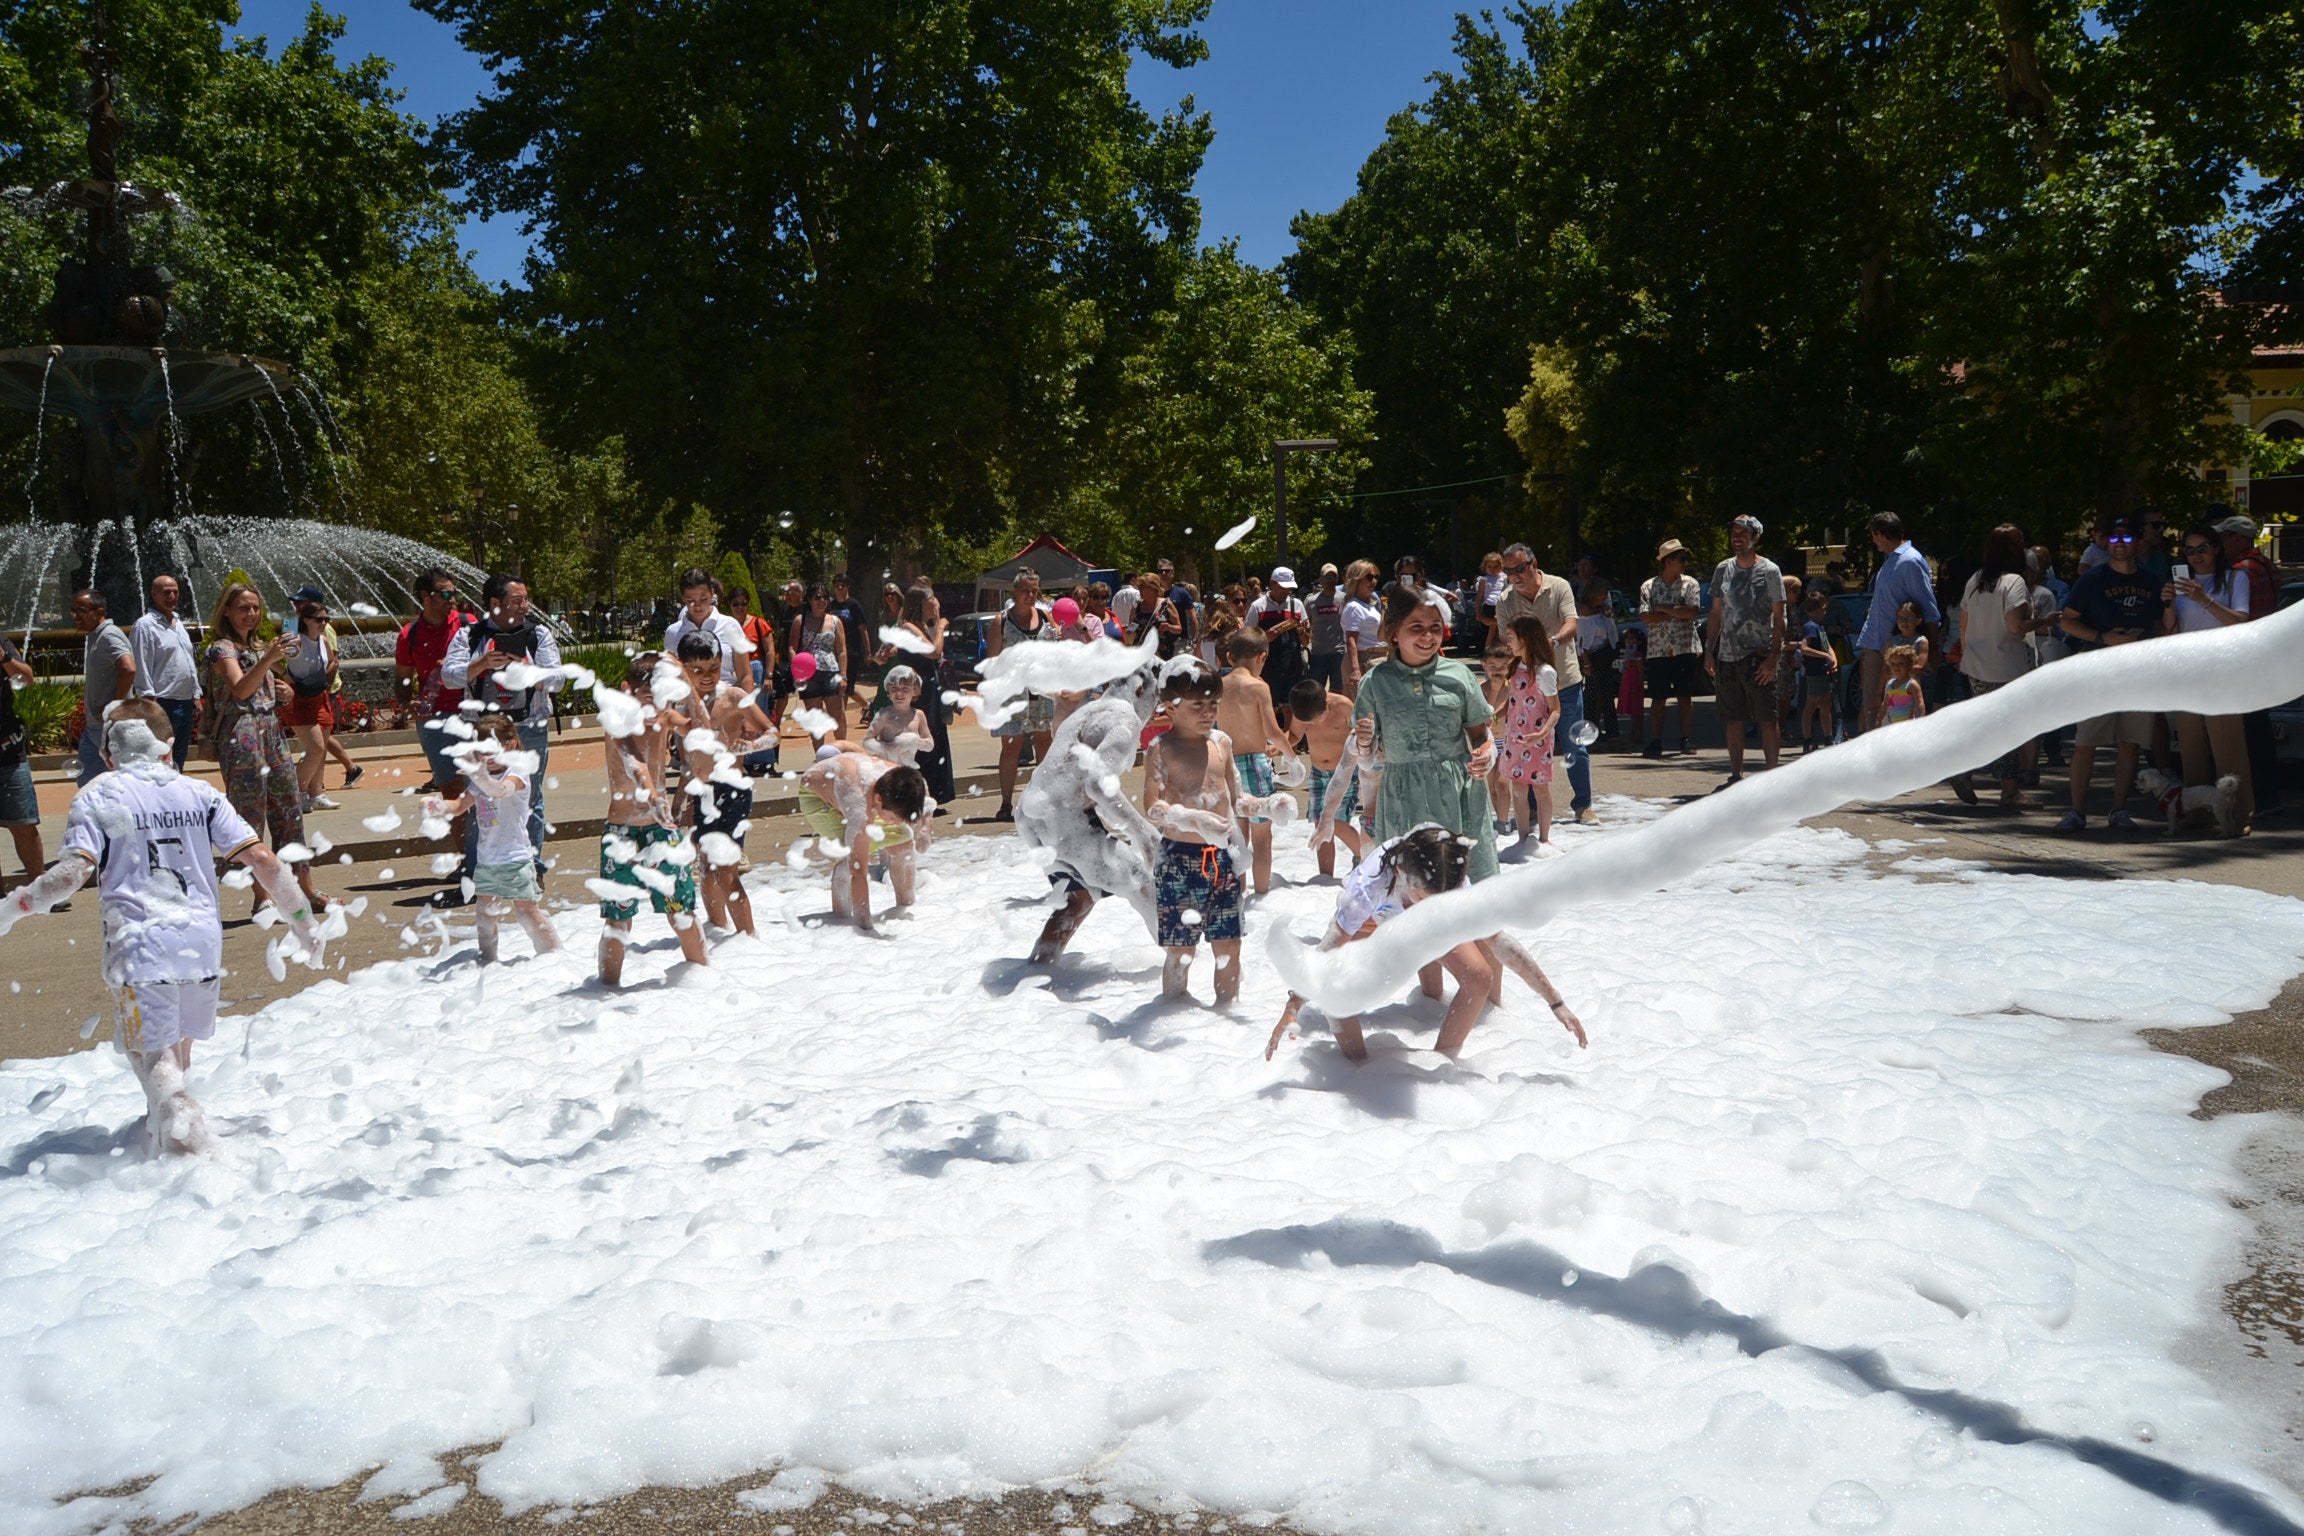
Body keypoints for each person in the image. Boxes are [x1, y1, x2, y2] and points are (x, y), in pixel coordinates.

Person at [0, 698, 321, 1155]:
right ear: (168, 748)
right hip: (202, 945)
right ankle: (164, 1138)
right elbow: (264, 860)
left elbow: (70, 876)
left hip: (141, 947)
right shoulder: (201, 793)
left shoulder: (98, 794)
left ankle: (181, 1125)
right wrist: (303, 922)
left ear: (110, 756)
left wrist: (10, 910)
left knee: (151, 1056)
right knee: (177, 1052)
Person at [1263, 827, 1587, 1064]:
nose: (1431, 908)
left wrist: (1555, 1002)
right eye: (1424, 899)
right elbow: (1324, 954)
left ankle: (1443, 1065)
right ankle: (1357, 1069)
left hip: (1415, 905)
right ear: (1404, 873)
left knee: (1479, 976)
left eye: (1442, 902)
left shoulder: (1451, 882)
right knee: (1336, 988)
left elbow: (1501, 943)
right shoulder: (1368, 887)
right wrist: (1292, 1008)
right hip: (1376, 917)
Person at [1352, 584, 1500, 882]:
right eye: (1416, 627)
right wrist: (1365, 742)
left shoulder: (1459, 676)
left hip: (1459, 793)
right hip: (1403, 797)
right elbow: (1365, 757)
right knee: (1410, 884)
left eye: (1435, 627)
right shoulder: (1375, 682)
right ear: (1394, 632)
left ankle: (1482, 931)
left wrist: (1486, 753)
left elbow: (1481, 734)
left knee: (1471, 882)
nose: (1427, 636)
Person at [203, 582, 326, 914]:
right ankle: (262, 896)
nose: (251, 614)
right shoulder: (221, 649)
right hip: (241, 736)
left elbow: (264, 686)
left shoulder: (260, 647)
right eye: (243, 608)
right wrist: (269, 659)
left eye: (255, 608)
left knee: (289, 810)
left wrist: (282, 690)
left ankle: (304, 889)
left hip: (270, 731)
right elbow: (241, 689)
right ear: (226, 611)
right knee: (250, 816)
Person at [597, 653, 709, 985]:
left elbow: (703, 731)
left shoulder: (664, 715)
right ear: (626, 690)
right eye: (648, 699)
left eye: (662, 700)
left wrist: (688, 685)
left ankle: (706, 986)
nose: (655, 708)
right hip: (622, 834)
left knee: (683, 912)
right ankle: (604, 991)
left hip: (661, 832)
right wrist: (654, 796)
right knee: (618, 921)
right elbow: (634, 761)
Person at [1143, 664, 1250, 1004]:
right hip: (1179, 860)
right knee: (1181, 950)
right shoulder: (1162, 748)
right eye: (1197, 706)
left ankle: (1226, 1015)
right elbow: (1153, 809)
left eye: (1213, 704)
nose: (1208, 713)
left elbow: (1238, 798)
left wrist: (1265, 805)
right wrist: (1190, 818)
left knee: (1229, 945)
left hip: (1222, 859)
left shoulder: (1221, 744)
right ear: (1170, 708)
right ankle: (1174, 1014)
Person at [442, 574, 564, 867]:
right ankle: (478, 867)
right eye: (517, 600)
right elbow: (448, 676)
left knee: (530, 799)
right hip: (481, 732)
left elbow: (558, 680)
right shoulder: (469, 635)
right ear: (495, 604)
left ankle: (531, 867)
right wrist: (482, 663)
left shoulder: (538, 635)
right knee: (478, 795)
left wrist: (526, 670)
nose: (525, 606)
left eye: (525, 599)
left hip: (528, 728)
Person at [2056, 517, 2169, 834]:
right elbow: (2067, 620)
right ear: (2106, 544)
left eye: (2127, 538)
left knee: (2130, 741)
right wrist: (2102, 637)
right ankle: (2076, 811)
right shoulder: (2093, 579)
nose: (2120, 544)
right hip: (2098, 666)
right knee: (2086, 741)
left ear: (2138, 542)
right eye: (2114, 538)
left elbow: (2162, 624)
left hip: (2137, 667)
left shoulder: (2151, 581)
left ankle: (2119, 810)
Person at [426, 711, 561, 963]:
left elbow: (499, 790)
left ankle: (555, 956)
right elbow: (458, 806)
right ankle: (488, 963)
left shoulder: (517, 773)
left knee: (527, 913)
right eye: (480, 752)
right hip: (487, 859)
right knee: (485, 915)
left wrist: (479, 775)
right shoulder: (480, 778)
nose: (485, 758)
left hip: (516, 858)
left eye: (490, 750)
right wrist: (439, 807)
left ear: (510, 745)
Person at [665, 631, 776, 936]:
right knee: (706, 865)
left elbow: (772, 732)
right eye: (696, 670)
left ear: (722, 663)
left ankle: (749, 937)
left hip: (732, 789)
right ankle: (716, 930)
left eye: (713, 668)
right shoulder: (678, 702)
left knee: (726, 869)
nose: (706, 677)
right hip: (699, 790)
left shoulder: (733, 697)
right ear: (683, 669)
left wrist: (751, 747)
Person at [2167, 518, 2256, 825]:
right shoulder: (2181, 585)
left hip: (2223, 667)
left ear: (2217, 549)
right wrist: (2167, 604)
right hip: (2187, 666)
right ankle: (2199, 814)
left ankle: (2240, 814)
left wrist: (2204, 599)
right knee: (2191, 745)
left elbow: (2241, 621)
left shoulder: (2235, 578)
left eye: (2202, 549)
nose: (2195, 556)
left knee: (2227, 743)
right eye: (2188, 550)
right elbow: (2170, 630)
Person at [1495, 542, 1591, 822]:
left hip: (1564, 678)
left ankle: (1583, 806)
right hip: (1527, 687)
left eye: (1520, 568)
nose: (1514, 575)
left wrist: (1550, 643)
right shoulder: (1504, 600)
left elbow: (1572, 624)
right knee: (1527, 745)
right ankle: (1533, 811)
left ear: (1534, 564)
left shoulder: (1559, 585)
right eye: (1508, 570)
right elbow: (1505, 639)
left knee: (1574, 744)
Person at [1951, 524, 2040, 809]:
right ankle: (2008, 790)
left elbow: (1963, 623)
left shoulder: (1976, 580)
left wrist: (1968, 653)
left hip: (1976, 663)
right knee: (2007, 728)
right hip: (2006, 665)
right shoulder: (2014, 582)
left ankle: (1967, 769)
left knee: (1989, 724)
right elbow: (2016, 626)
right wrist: (2047, 622)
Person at [801, 745, 928, 932]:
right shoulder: (858, 805)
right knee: (850, 857)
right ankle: (841, 916)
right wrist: (866, 930)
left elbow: (926, 797)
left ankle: (906, 904)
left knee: (905, 843)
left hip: (852, 783)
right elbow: (858, 872)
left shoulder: (908, 781)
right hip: (815, 797)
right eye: (892, 817)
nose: (895, 822)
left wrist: (926, 829)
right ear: (877, 799)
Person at [1704, 515, 1786, 785]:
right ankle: (1736, 775)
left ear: (1756, 538)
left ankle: (1772, 776)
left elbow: (1779, 616)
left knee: (1766, 717)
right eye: (1734, 532)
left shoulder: (1770, 571)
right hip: (1728, 655)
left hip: (1759, 655)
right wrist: (1709, 651)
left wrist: (1773, 657)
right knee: (1733, 717)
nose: (1736, 537)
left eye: (1743, 533)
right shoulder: (1723, 569)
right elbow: (1715, 613)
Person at [1217, 629, 1291, 895]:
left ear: (1229, 656)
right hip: (1256, 765)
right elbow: (1273, 732)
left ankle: (1238, 893)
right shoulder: (1259, 686)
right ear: (1262, 657)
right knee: (1262, 837)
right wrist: (1291, 757)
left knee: (1237, 836)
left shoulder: (1219, 686)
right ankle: (1261, 895)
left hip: (1228, 765)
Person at [1855, 512, 1941, 739]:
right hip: (1878, 644)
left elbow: (1928, 607)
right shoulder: (1891, 560)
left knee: (1898, 712)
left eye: (1874, 536)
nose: (1873, 541)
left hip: (1899, 653)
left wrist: (1933, 650)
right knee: (1874, 708)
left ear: (1880, 534)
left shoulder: (1910, 561)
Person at [2219, 512, 2284, 814]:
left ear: (2239, 539)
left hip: (2246, 654)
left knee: (2247, 731)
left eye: (2225, 537)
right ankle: (2269, 794)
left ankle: (2255, 796)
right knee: (2258, 727)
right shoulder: (2268, 566)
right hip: (2266, 652)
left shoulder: (2241, 570)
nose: (2221, 543)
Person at [987, 568, 1055, 820]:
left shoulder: (1046, 617)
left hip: (1041, 691)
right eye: (1025, 590)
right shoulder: (1001, 621)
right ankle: (1006, 803)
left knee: (1043, 742)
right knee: (1011, 747)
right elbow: (992, 662)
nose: (1030, 595)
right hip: (1012, 693)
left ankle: (1043, 800)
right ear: (1014, 591)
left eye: (1034, 590)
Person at [395, 568, 467, 801]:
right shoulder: (410, 634)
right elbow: (402, 678)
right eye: (446, 595)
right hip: (433, 721)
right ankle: (465, 838)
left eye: (454, 594)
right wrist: (407, 702)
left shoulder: (468, 625)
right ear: (426, 596)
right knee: (451, 791)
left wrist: (461, 663)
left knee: (479, 786)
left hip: (471, 714)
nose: (453, 600)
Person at [1288, 677, 1367, 879]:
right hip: (1317, 773)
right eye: (1309, 723)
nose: (1313, 724)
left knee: (1336, 822)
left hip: (1344, 772)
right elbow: (1295, 735)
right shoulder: (1303, 710)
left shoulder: (1343, 707)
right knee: (1319, 823)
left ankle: (1363, 856)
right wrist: (1279, 746)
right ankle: (1325, 876)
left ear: (1327, 703)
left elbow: (1362, 735)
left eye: (1317, 719)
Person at [1499, 615, 1560, 858]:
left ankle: (1544, 840)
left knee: (1541, 789)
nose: (1507, 641)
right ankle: (1523, 840)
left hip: (1538, 737)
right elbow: (1513, 700)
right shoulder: (1516, 666)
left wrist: (1542, 733)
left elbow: (1555, 710)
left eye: (1511, 637)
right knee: (1518, 788)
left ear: (1525, 638)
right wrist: (1495, 714)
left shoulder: (1544, 672)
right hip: (1515, 736)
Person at [280, 587, 346, 812]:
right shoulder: (291, 629)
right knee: (316, 747)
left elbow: (333, 660)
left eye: (302, 602)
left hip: (320, 695)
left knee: (320, 747)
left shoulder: (325, 636)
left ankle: (316, 793)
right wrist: (286, 677)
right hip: (299, 699)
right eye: (320, 619)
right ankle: (295, 794)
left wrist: (325, 678)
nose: (296, 606)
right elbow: (274, 658)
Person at [128, 574, 201, 769]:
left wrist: (196, 694)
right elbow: (141, 664)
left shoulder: (179, 624)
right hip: (162, 703)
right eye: (166, 592)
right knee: (159, 759)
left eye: (175, 592)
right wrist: (149, 701)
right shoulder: (145, 625)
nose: (172, 596)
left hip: (185, 703)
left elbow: (188, 661)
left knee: (178, 759)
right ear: (154, 594)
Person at [1638, 541, 1703, 758]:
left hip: (1684, 646)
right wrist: (1677, 611)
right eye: (1681, 559)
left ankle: (1686, 738)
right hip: (1658, 649)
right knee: (1658, 696)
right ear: (1669, 561)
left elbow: (1692, 611)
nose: (1685, 563)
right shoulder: (1649, 586)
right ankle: (1656, 740)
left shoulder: (1690, 584)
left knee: (1685, 695)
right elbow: (1645, 616)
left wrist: (1664, 609)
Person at [71, 589, 134, 786]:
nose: (75, 617)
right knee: (88, 784)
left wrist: (115, 706)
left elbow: (129, 668)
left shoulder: (109, 635)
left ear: (99, 611)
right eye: (73, 611)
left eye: (81, 611)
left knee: (116, 784)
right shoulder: (94, 635)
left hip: (110, 728)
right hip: (95, 729)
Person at [0, 632, 46, 882]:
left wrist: (4, 657)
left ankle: (41, 889)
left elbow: (27, 679)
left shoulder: (1, 642)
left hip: (8, 751)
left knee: (24, 825)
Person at [664, 567, 751, 688]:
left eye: (703, 599)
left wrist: (744, 704)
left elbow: (745, 675)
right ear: (683, 597)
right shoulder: (672, 633)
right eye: (691, 601)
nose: (698, 606)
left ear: (712, 593)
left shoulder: (730, 626)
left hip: (725, 698)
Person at [1245, 567, 1311, 722]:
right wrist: (1266, 636)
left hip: (1292, 664)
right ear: (1272, 583)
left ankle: (1291, 745)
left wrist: (1301, 631)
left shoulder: (1297, 605)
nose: (1286, 591)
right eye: (1282, 587)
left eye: (1289, 587)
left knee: (1291, 707)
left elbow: (1306, 641)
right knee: (1269, 708)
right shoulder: (1258, 607)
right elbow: (1248, 639)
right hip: (1267, 665)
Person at [788, 583, 850, 741]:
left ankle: (842, 753)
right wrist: (797, 672)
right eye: (817, 597)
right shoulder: (800, 621)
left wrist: (843, 676)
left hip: (830, 671)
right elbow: (792, 648)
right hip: (808, 675)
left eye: (825, 597)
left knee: (838, 717)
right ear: (809, 599)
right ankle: (820, 759)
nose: (821, 600)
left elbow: (842, 650)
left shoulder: (835, 621)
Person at [865, 664, 935, 768]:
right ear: (888, 691)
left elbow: (930, 745)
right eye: (894, 689)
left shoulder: (918, 715)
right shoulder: (884, 715)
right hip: (887, 769)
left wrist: (913, 741)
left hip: (908, 770)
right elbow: (867, 742)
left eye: (905, 689)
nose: (899, 694)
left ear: (914, 691)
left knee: (912, 737)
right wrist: (887, 747)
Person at [1575, 583, 1620, 741]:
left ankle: (1612, 730)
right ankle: (1589, 731)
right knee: (1592, 696)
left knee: (1607, 695)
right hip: (1592, 657)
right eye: (1601, 595)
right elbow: (1581, 641)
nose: (1603, 598)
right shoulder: (1585, 613)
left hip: (1604, 655)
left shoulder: (1603, 611)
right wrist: (1586, 663)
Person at [1478, 643, 1516, 831]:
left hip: (1509, 742)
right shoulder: (1482, 689)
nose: (1498, 672)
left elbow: (1505, 713)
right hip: (1490, 741)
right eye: (1493, 667)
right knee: (1492, 786)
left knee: (1502, 784)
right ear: (1484, 665)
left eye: (1503, 668)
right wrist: (1493, 691)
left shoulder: (1513, 688)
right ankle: (1500, 819)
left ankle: (1503, 822)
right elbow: (1486, 717)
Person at [1796, 590, 1839, 751]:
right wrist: (1824, 656)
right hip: (1814, 672)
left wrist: (1832, 657)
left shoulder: (1820, 627)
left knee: (1826, 704)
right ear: (1811, 610)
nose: (1824, 612)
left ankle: (1828, 736)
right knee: (1811, 704)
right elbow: (1804, 647)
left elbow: (1826, 645)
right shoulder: (1810, 627)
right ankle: (1808, 738)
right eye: (1821, 609)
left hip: (1823, 671)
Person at [830, 574, 871, 726]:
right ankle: (867, 706)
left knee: (846, 686)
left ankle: (840, 718)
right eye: (837, 585)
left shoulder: (854, 605)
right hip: (833, 653)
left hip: (851, 651)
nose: (840, 588)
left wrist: (867, 651)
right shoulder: (831, 606)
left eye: (843, 585)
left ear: (848, 587)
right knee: (841, 687)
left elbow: (863, 629)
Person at [1340, 560, 1385, 695]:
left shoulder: (1370, 606)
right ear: (1357, 579)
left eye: (1376, 577)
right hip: (1363, 660)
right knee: (1361, 710)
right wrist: (1355, 670)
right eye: (1369, 577)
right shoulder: (1354, 607)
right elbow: (1351, 640)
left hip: (1375, 659)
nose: (1374, 581)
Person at [1304, 564, 1348, 694]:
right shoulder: (1310, 601)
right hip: (1318, 654)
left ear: (1337, 579)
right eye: (1327, 576)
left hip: (1339, 654)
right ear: (1321, 579)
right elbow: (1306, 625)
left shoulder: (1345, 599)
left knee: (1338, 692)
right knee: (1316, 693)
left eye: (1333, 576)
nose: (1330, 580)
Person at [727, 583, 779, 691]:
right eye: (736, 604)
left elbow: (770, 651)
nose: (739, 607)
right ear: (729, 604)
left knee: (757, 707)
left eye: (743, 603)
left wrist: (768, 677)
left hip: (756, 672)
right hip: (733, 673)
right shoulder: (725, 625)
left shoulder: (758, 623)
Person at [1875, 645, 1925, 727]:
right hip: (1893, 724)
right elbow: (1885, 703)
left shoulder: (1911, 684)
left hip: (1908, 724)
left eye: (1900, 664)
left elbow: (1919, 703)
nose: (1896, 667)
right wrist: (1879, 718)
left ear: (1909, 664)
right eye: (1893, 664)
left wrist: (1920, 720)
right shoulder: (1890, 684)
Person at [1474, 550, 1508, 650]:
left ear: (1501, 566)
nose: (1492, 569)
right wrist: (1478, 613)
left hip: (1502, 605)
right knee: (1492, 631)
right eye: (1490, 567)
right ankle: (1488, 653)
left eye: (1495, 566)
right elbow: (1479, 596)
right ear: (1485, 567)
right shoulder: (1484, 580)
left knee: (1503, 632)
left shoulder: (1505, 578)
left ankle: (1503, 655)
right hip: (1489, 606)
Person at [1110, 572, 1143, 637]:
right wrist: (1131, 631)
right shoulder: (1137, 593)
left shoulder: (1116, 595)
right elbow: (1137, 613)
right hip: (1133, 629)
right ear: (1133, 580)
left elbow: (1113, 613)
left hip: (1120, 630)